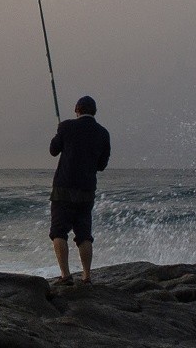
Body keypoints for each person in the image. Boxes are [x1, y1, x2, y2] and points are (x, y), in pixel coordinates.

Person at [48, 94, 111, 284]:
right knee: (84, 234)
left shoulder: (66, 126)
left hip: (63, 189)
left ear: (77, 110)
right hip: (86, 190)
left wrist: (59, 133)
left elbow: (53, 150)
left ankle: (66, 276)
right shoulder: (103, 133)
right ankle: (86, 276)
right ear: (94, 112)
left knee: (59, 232)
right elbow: (101, 165)